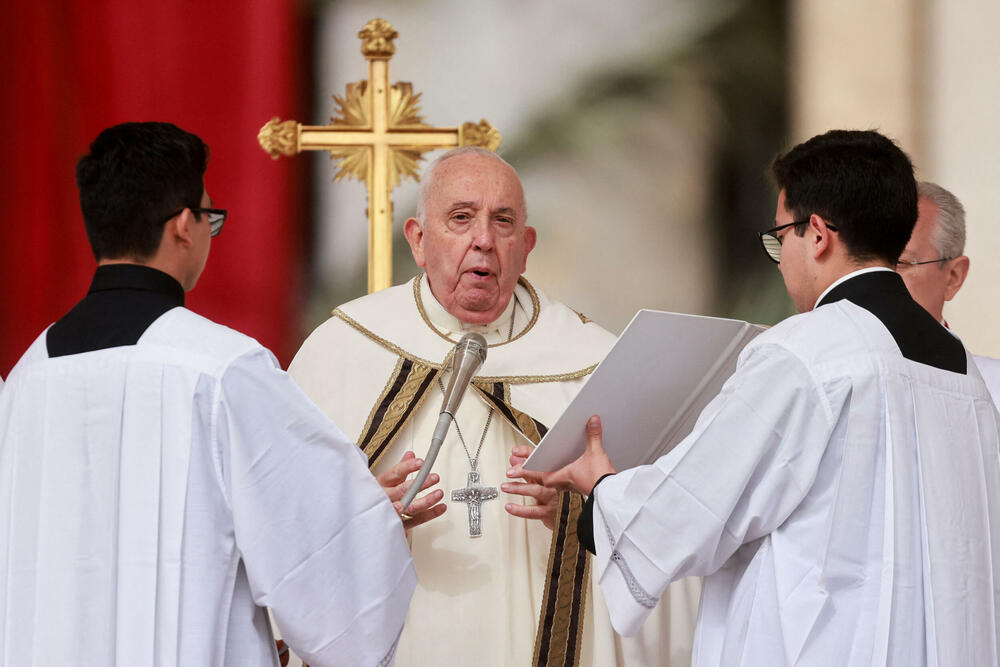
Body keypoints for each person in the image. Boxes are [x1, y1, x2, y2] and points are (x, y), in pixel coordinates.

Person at [538, 130, 1000, 665]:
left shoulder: (807, 350)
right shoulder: (961, 370)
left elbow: (693, 507)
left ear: (819, 235)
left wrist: (602, 488)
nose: (780, 260)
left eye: (782, 236)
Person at [0, 122, 416, 666]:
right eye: (209, 217)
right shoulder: (222, 369)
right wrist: (359, 520)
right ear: (183, 226)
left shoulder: (26, 378)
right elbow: (328, 576)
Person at [289, 147, 700, 666]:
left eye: (502, 222)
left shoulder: (594, 364)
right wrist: (355, 515)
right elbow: (277, 522)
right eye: (460, 218)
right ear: (417, 240)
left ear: (525, 247)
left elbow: (670, 545)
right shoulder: (342, 352)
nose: (483, 239)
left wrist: (588, 515)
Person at [897, 181, 1000, 403]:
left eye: (900, 262)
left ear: (953, 277)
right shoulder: (821, 375)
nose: (874, 280)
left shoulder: (994, 390)